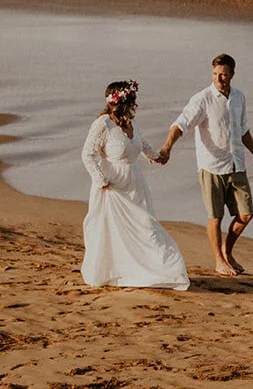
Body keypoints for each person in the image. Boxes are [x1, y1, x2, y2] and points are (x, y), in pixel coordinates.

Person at [155, 53, 253, 277]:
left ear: (232, 75)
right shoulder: (202, 99)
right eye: (216, 74)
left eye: (224, 75)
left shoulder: (239, 97)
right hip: (212, 166)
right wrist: (167, 147)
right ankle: (219, 260)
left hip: (236, 163)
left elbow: (243, 129)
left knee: (246, 214)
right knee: (215, 216)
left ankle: (227, 250)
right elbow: (181, 124)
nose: (219, 79)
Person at [79, 79, 189, 290]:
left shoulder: (130, 123)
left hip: (136, 184)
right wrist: (101, 180)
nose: (134, 104)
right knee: (114, 232)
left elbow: (139, 143)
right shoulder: (103, 124)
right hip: (113, 187)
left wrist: (156, 156)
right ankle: (120, 272)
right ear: (117, 101)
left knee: (146, 227)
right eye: (131, 99)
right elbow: (88, 154)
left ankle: (161, 270)